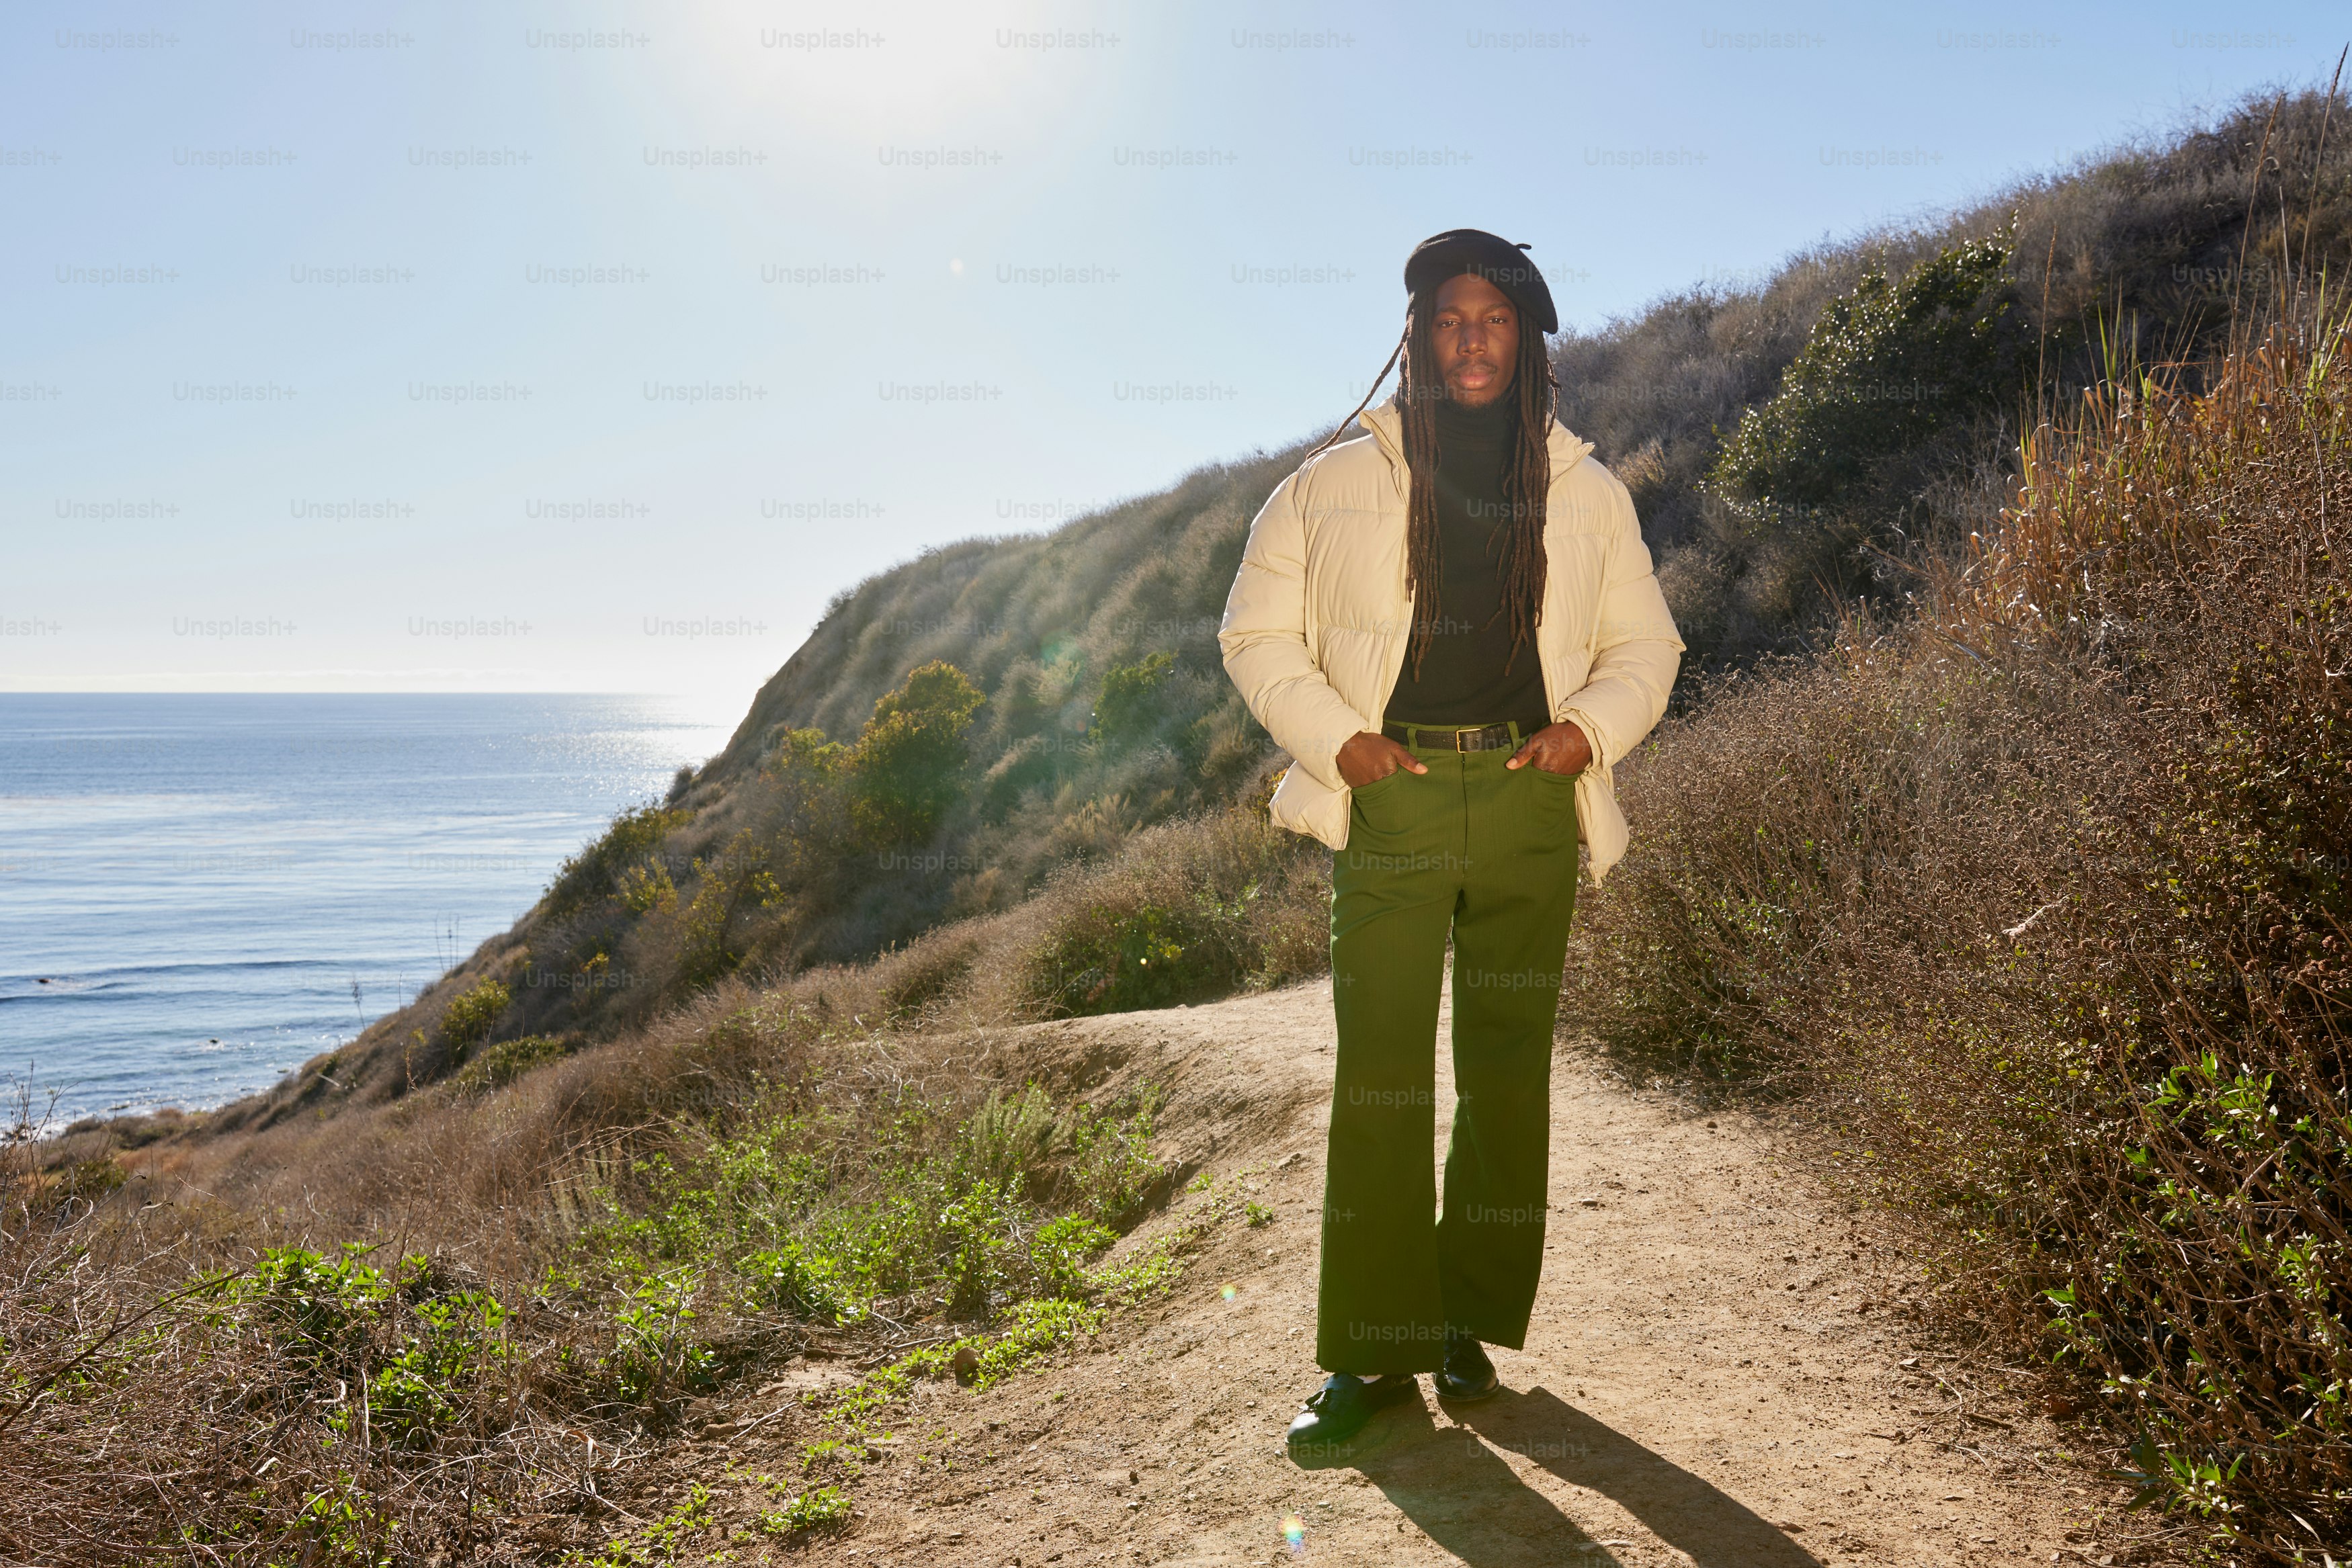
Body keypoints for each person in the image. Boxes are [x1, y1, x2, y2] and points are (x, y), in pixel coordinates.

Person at [1218, 228, 1683, 1452]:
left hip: (1532, 792)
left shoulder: (1586, 489)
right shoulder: (1329, 483)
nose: (1471, 339)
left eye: (1494, 320)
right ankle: (1369, 1360)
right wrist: (1340, 742)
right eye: (1448, 319)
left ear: (1526, 341)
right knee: (1380, 1073)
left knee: (1505, 1068)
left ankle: (1461, 1322)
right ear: (1416, 337)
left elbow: (1651, 650)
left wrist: (1590, 731)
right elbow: (1255, 637)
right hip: (1397, 791)